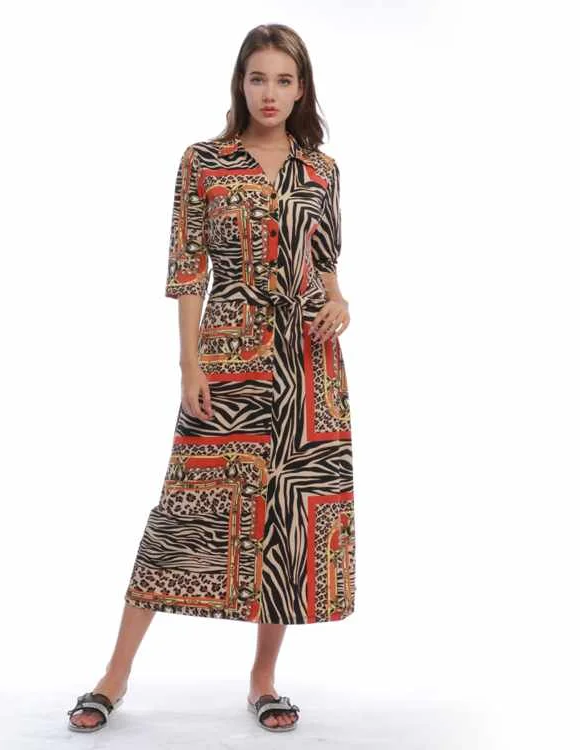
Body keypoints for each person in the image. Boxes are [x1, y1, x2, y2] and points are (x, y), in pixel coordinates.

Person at [66, 23, 354, 735]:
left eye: (284, 80)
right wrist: (190, 363)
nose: (270, 93)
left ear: (302, 89)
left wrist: (341, 303)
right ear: (240, 83)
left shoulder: (321, 169)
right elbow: (188, 267)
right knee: (182, 514)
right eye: (258, 78)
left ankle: (263, 681)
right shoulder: (204, 162)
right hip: (229, 354)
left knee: (289, 518)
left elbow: (326, 266)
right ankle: (113, 675)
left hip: (309, 365)